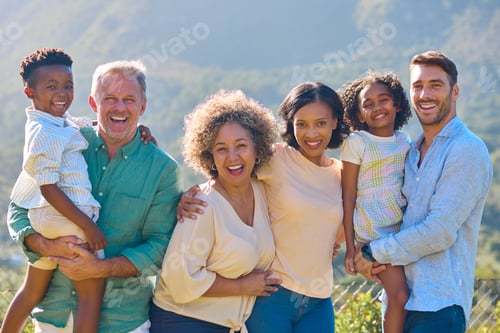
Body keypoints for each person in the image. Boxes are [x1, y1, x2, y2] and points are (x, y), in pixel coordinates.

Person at [7, 59, 182, 332]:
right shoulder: (65, 140)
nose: (120, 108)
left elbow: (160, 245)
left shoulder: (163, 169)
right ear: (93, 103)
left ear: (142, 106)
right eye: (110, 99)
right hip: (54, 316)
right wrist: (44, 245)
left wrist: (103, 268)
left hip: (123, 322)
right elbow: (19, 207)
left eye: (129, 99)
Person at [178, 82, 350, 333]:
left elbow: (342, 227)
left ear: (335, 121)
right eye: (301, 124)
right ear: (291, 124)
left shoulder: (341, 174)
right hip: (272, 296)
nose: (311, 133)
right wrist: (189, 196)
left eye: (320, 123)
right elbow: (231, 168)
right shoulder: (277, 159)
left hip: (319, 301)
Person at [355, 51, 493, 332]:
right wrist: (361, 250)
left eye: (436, 85)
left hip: (438, 309)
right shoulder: (409, 151)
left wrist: (373, 252)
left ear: (455, 91)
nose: (425, 93)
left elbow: (438, 232)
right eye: (418, 86)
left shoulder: (465, 149)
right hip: (400, 303)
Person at [150, 89, 280, 333]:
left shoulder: (262, 191)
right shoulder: (201, 205)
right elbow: (178, 280)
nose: (232, 157)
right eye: (221, 149)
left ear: (257, 148)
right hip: (182, 322)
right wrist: (242, 286)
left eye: (241, 145)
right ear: (209, 155)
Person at [2, 48, 106, 333]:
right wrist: (89, 226)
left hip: (47, 221)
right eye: (51, 86)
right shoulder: (44, 133)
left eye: (68, 86)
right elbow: (48, 187)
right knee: (91, 294)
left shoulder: (54, 121)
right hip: (66, 217)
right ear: (29, 92)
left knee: (31, 290)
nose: (62, 93)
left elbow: (80, 125)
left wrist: (135, 128)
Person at [340, 71, 412, 333]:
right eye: (368, 104)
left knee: (406, 296)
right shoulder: (357, 143)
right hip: (374, 237)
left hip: (402, 233)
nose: (377, 107)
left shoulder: (405, 142)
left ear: (397, 104)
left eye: (383, 100)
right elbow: (347, 196)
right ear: (359, 115)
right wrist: (351, 248)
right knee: (400, 296)